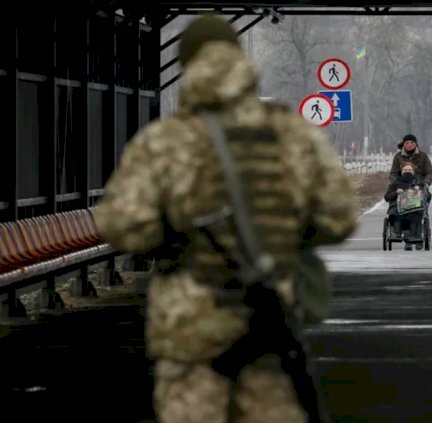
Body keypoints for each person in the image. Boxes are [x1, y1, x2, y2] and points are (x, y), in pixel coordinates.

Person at [92, 14, 358, 423]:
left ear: (187, 63)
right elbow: (340, 216)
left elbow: (122, 226)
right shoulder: (290, 133)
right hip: (270, 319)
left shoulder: (165, 141)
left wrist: (175, 231)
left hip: (189, 329)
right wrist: (285, 236)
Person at [384, 162, 429, 250]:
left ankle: (414, 236)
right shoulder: (395, 184)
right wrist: (396, 192)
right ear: (401, 171)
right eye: (405, 170)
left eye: (409, 170)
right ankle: (396, 233)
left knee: (416, 212)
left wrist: (419, 191)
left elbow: (428, 196)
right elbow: (386, 197)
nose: (407, 171)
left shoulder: (418, 183)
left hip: (413, 206)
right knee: (396, 212)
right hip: (398, 206)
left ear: (413, 171)